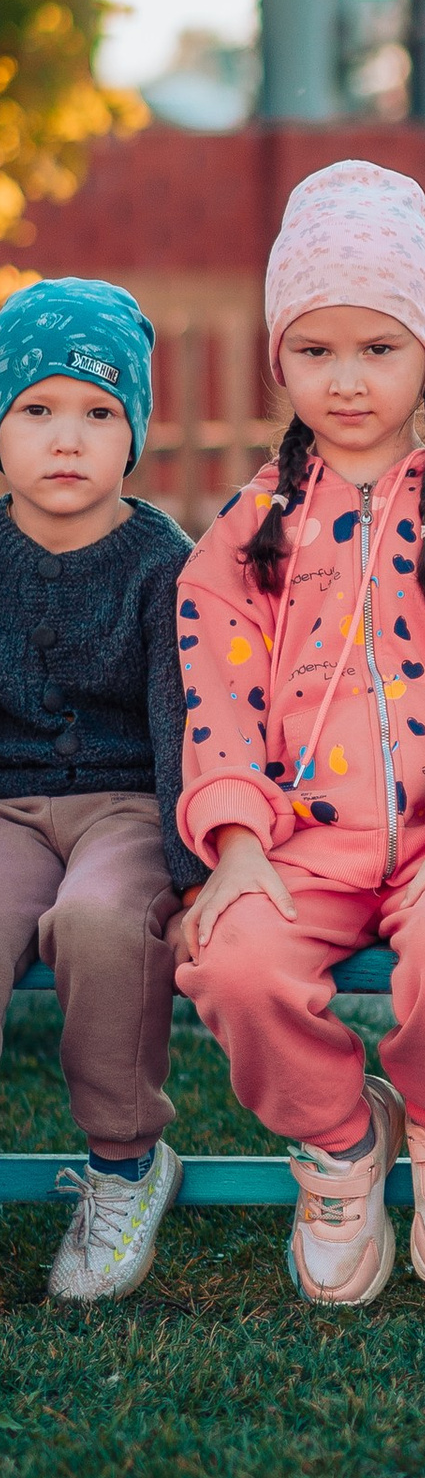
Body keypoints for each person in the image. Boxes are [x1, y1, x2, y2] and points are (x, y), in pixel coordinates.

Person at [174, 162, 425, 1306]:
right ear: (279, 358)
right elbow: (214, 696)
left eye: (378, 349)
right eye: (316, 349)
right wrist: (236, 839)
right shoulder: (250, 530)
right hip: (303, 843)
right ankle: (339, 1139)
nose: (346, 379)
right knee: (232, 963)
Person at [0, 279, 201, 1300]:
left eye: (97, 410)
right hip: (9, 812)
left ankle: (125, 1164)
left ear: (135, 434)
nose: (65, 438)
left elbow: (182, 727)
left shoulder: (163, 563)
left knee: (99, 924)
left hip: (127, 804)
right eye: (35, 409)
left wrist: (193, 870)